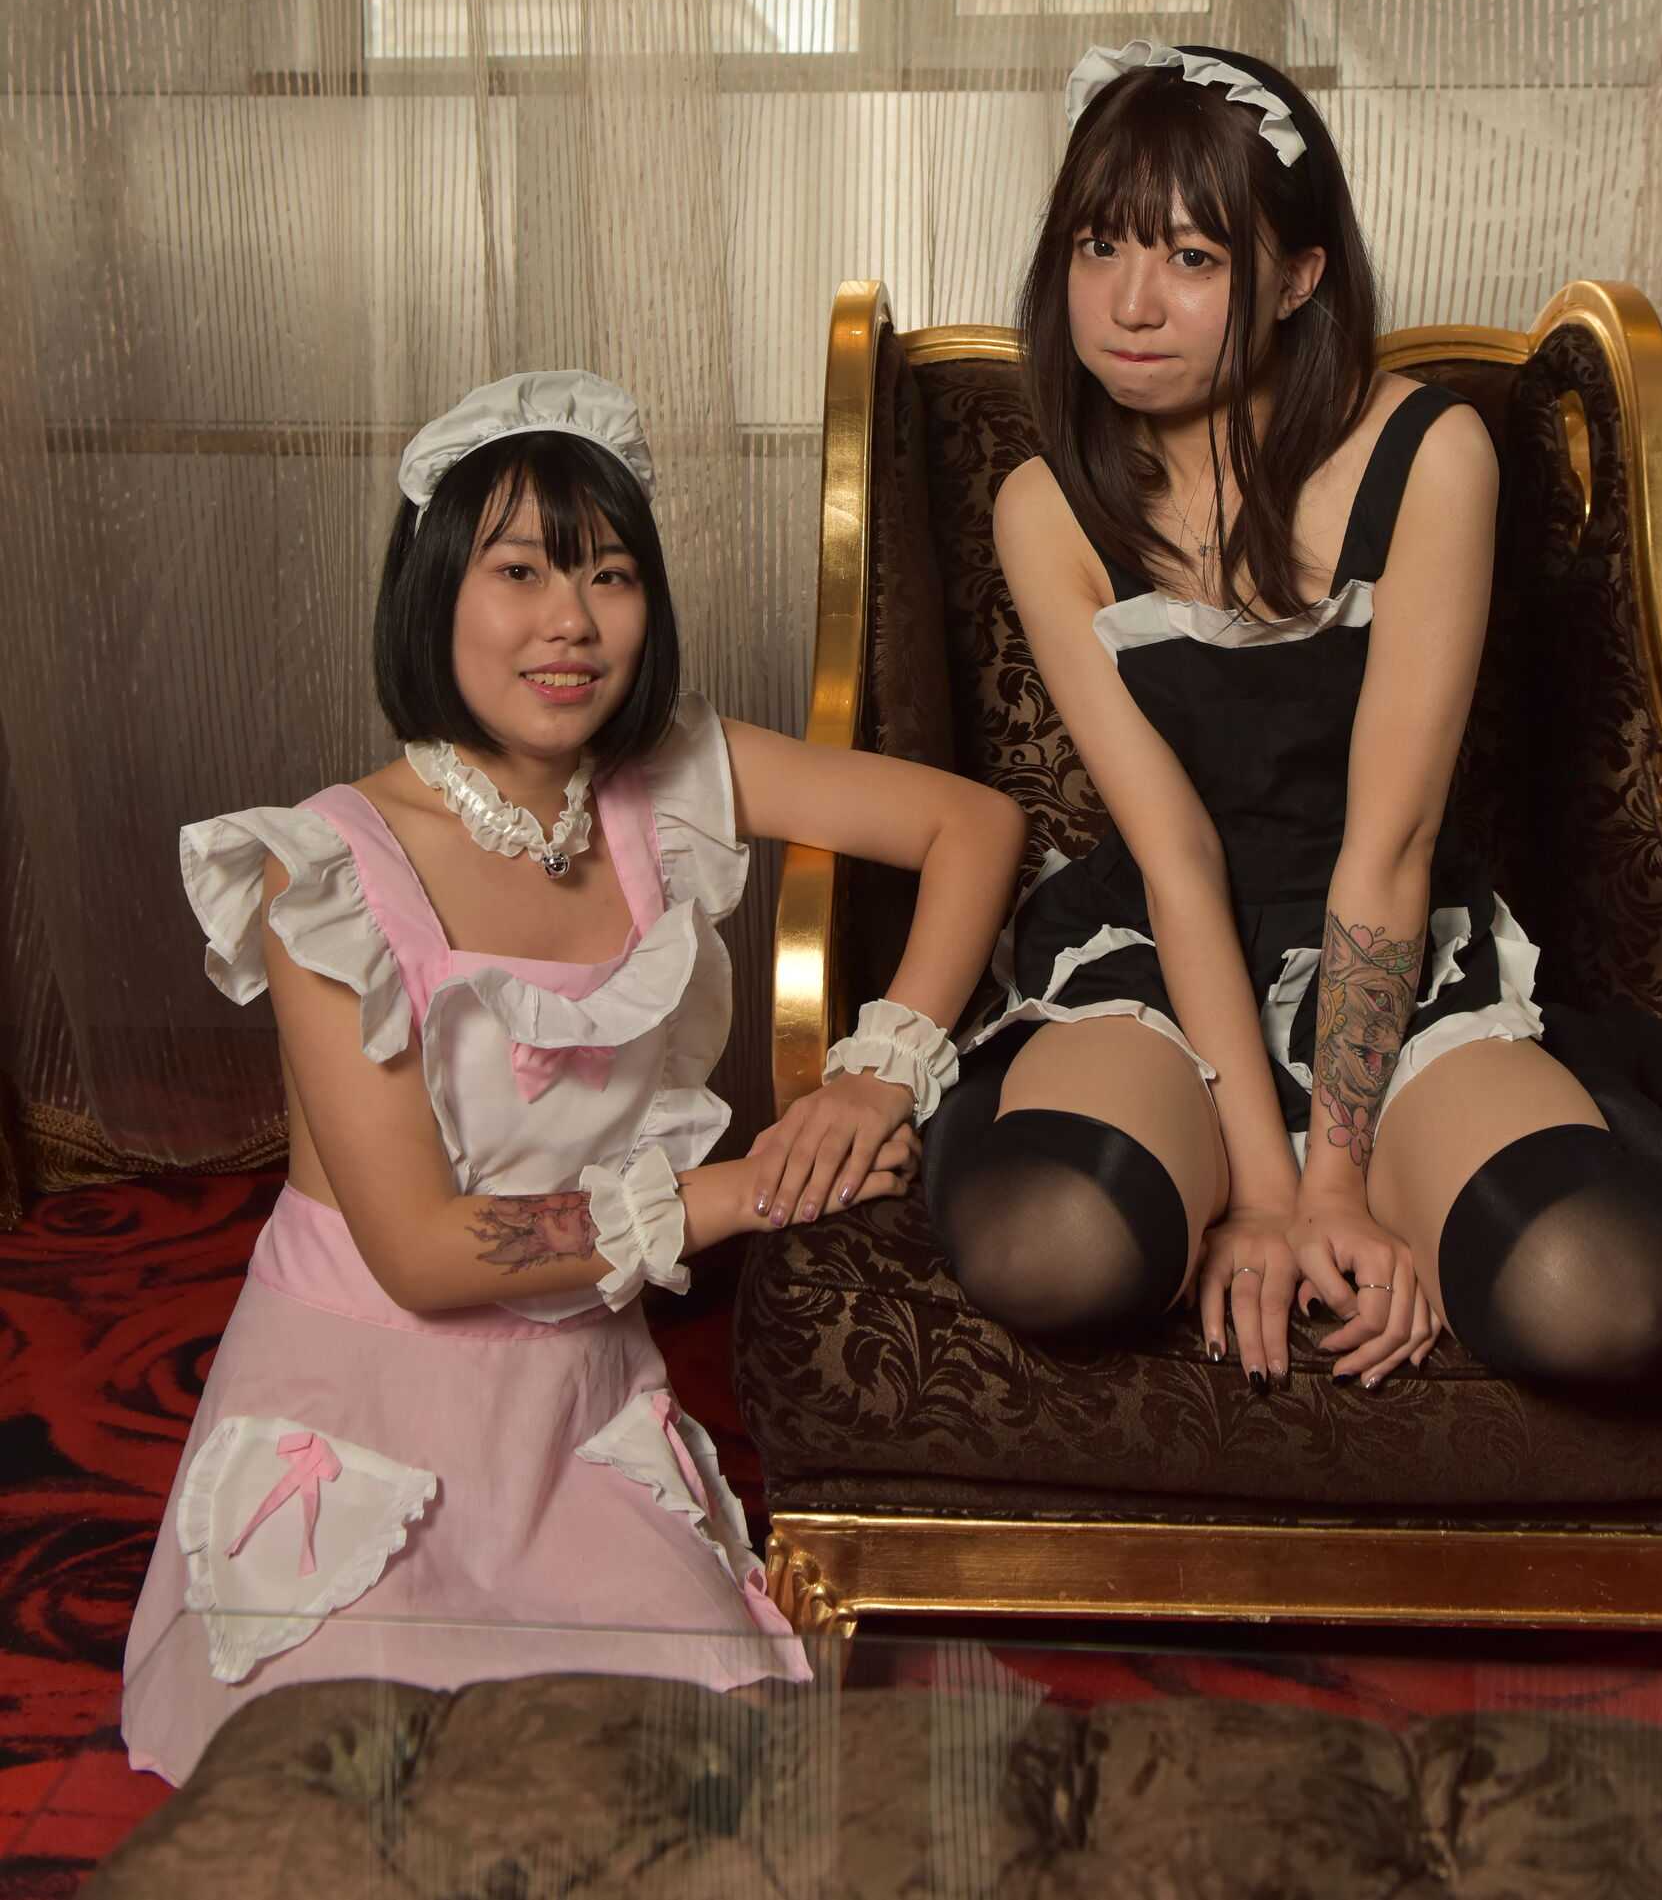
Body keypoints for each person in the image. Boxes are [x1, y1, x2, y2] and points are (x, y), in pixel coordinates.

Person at [123, 370, 1024, 1784]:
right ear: (433, 593)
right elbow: (425, 1255)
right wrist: (739, 1192)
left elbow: (974, 825)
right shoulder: (327, 869)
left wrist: (876, 1072)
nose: (572, 621)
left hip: (574, 1397)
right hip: (362, 1411)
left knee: (700, 1763)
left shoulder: (671, 774)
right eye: (520, 572)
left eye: (610, 574)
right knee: (375, 1782)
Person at [917, 41, 1662, 1389]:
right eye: (1100, 246)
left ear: (1297, 277)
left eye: (1192, 257)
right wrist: (1260, 1194)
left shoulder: (1430, 454)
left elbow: (1388, 847)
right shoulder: (1044, 509)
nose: (1130, 303)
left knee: (1600, 1294)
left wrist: (1333, 1185)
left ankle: (1401, 1177)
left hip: (1390, 945)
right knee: (1048, 1241)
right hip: (1161, 953)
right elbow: (1176, 857)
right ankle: (1241, 1176)